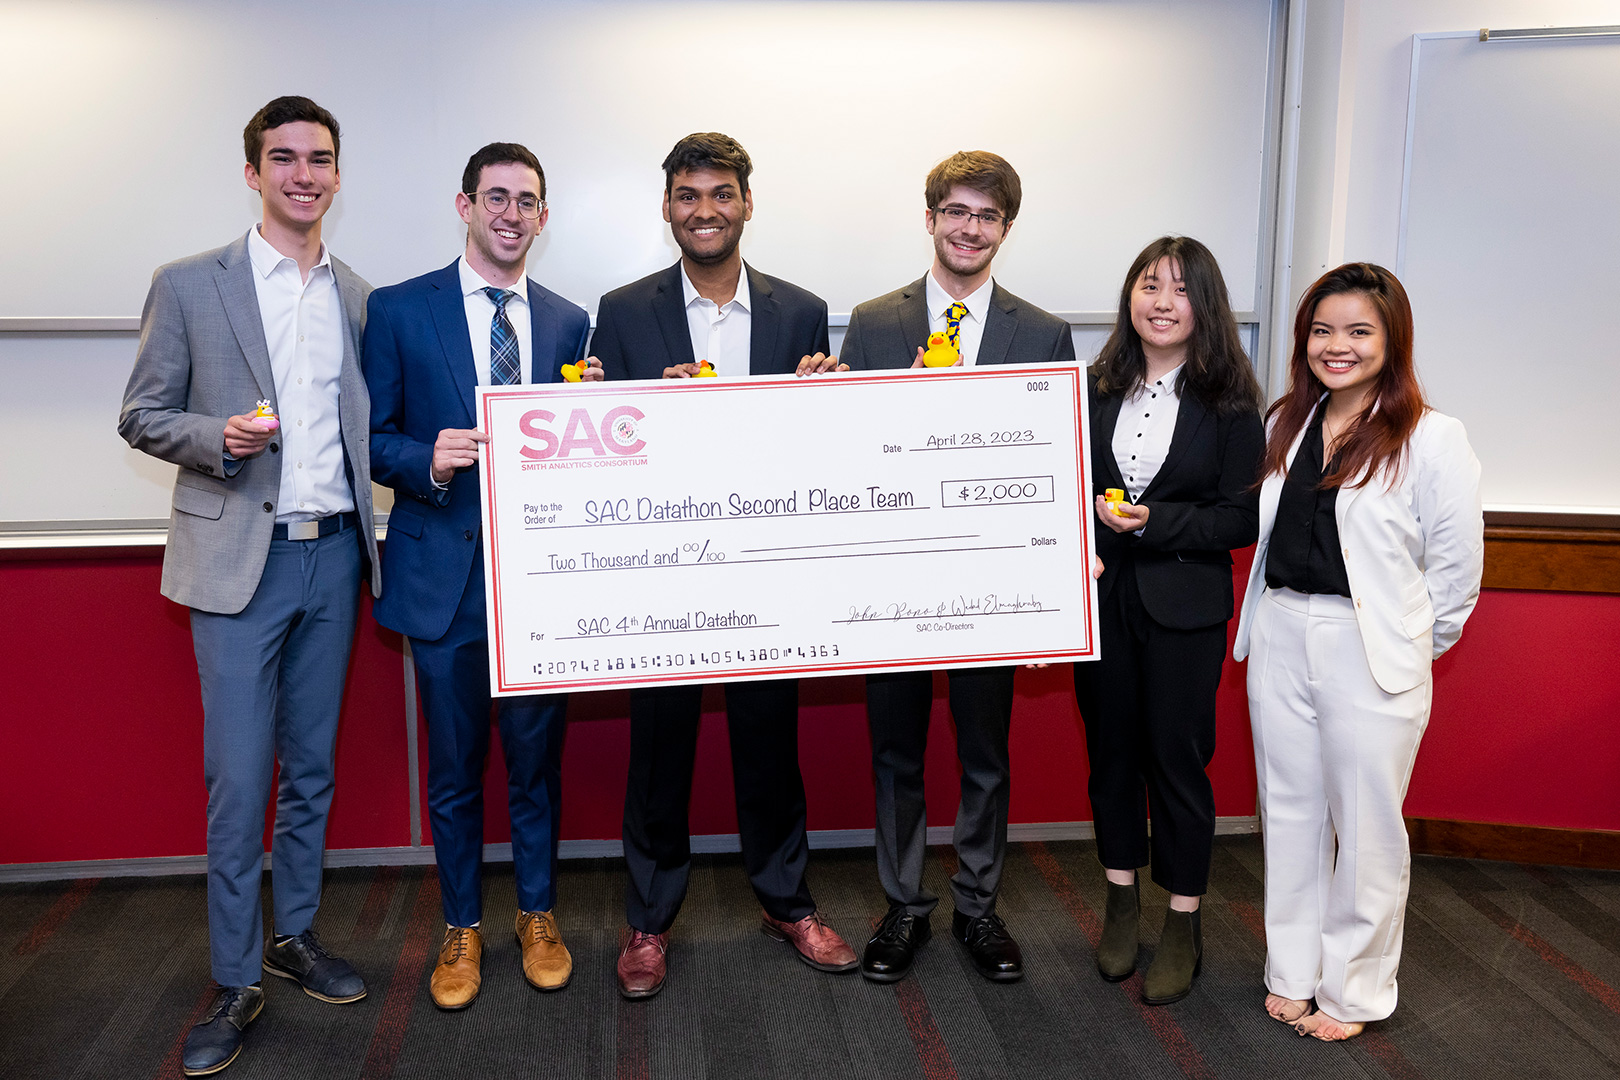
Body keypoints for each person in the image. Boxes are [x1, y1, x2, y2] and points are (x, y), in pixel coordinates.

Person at [118, 95, 377, 1076]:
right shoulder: (189, 285)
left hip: (337, 555)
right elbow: (142, 416)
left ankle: (294, 935)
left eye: (318, 158)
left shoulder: (358, 293)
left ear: (338, 175)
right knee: (238, 781)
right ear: (253, 173)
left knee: (311, 771)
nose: (302, 174)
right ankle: (234, 977)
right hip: (240, 562)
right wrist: (215, 439)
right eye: (283, 158)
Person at [592, 132, 857, 999]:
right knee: (658, 750)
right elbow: (609, 447)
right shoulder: (623, 311)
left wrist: (830, 396)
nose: (704, 211)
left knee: (769, 748)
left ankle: (787, 902)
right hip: (666, 575)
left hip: (766, 575)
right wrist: (647, 413)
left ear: (747, 202)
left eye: (721, 194)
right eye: (687, 196)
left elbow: (814, 451)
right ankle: (648, 921)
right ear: (667, 206)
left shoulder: (800, 311)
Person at [362, 142, 601, 1010]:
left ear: (544, 215)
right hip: (444, 582)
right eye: (494, 198)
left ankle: (537, 914)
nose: (510, 214)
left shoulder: (572, 322)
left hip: (542, 582)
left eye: (526, 201)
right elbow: (372, 437)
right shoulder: (397, 309)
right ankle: (460, 925)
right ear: (464, 205)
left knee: (536, 764)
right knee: (456, 771)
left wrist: (596, 413)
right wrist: (426, 456)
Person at [833, 150, 1077, 984]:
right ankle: (904, 905)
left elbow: (1052, 463)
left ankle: (978, 907)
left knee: (984, 752)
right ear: (930, 216)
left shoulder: (1041, 331)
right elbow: (846, 453)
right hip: (893, 581)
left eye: (987, 216)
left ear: (1005, 229)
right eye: (956, 212)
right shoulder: (871, 323)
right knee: (895, 750)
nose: (969, 229)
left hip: (992, 584)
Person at [1233, 262, 1483, 1040]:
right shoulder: (1291, 421)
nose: (1336, 346)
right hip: (1279, 629)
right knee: (1291, 811)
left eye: (1357, 332)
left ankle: (1356, 991)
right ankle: (1293, 971)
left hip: (1368, 646)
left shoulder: (1433, 437)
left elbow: (1455, 575)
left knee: (1368, 825)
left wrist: (1406, 647)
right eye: (1321, 331)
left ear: (1392, 340)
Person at [1071, 236, 1264, 1004]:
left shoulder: (1231, 404)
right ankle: (1122, 901)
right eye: (1148, 285)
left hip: (1184, 609)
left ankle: (1182, 918)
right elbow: (1060, 482)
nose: (1160, 302)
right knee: (1110, 756)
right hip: (1104, 604)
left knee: (1177, 763)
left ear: (1204, 306)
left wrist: (1153, 523)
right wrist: (1088, 511)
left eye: (1180, 290)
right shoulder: (1093, 388)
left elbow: (1238, 519)